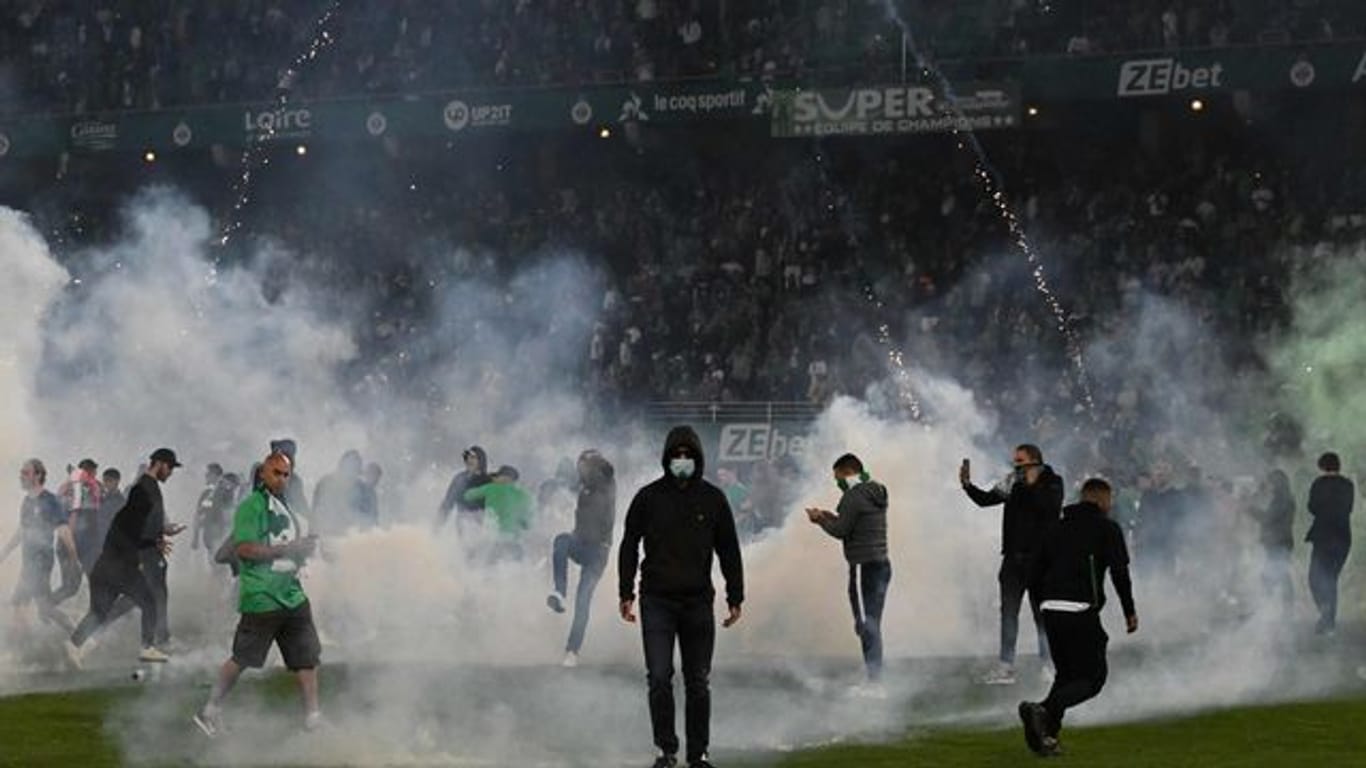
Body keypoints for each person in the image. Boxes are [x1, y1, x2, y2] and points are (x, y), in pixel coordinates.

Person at [619, 426, 744, 768]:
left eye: (689, 455)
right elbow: (629, 545)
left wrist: (736, 596)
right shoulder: (647, 498)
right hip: (656, 600)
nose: (683, 460)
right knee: (659, 677)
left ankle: (698, 754)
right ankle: (666, 750)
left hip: (697, 602)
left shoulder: (714, 499)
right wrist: (625, 591)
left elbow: (729, 550)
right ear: (667, 458)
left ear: (699, 458)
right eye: (677, 454)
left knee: (698, 681)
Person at [193, 451, 322, 738]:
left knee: (307, 657)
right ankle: (209, 711)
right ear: (263, 474)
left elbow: (287, 545)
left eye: (286, 474)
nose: (282, 479)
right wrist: (289, 550)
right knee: (242, 659)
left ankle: (313, 719)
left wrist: (305, 550)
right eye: (276, 473)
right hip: (262, 598)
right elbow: (244, 549)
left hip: (292, 594)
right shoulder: (250, 507)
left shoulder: (285, 508)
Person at [1019, 478, 1138, 757]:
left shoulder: (1054, 529)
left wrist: (1042, 607)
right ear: (1100, 500)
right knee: (1093, 678)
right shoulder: (1107, 529)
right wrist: (1129, 611)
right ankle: (1043, 710)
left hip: (1051, 610)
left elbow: (1033, 574)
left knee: (1068, 675)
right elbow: (1120, 573)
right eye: (1109, 500)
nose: (1111, 506)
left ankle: (1046, 737)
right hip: (1080, 610)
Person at [67, 448, 186, 666]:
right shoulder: (145, 489)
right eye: (169, 468)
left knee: (99, 612)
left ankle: (73, 645)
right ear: (159, 464)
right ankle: (147, 647)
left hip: (109, 563)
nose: (170, 473)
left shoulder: (144, 488)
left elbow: (132, 525)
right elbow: (130, 526)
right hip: (120, 564)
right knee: (149, 601)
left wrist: (159, 534)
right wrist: (153, 541)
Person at [960, 444, 1064, 685]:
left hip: (1042, 560)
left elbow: (1049, 509)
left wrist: (1031, 484)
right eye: (1015, 461)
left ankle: (1048, 664)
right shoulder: (1012, 481)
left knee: (1043, 615)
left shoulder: (1053, 481)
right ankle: (1006, 666)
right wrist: (967, 486)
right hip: (1013, 560)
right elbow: (986, 500)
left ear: (1035, 461)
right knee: (1008, 614)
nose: (1016, 465)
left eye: (1021, 460)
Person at [805, 453, 890, 694]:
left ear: (846, 472)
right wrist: (829, 516)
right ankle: (874, 677)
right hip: (882, 564)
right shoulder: (878, 490)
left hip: (863, 566)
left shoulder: (852, 496)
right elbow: (854, 522)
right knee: (873, 622)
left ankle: (874, 682)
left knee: (866, 625)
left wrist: (819, 521)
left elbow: (841, 530)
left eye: (837, 477)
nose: (837, 482)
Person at [547, 449, 615, 667]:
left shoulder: (605, 481)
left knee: (583, 600)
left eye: (583, 465)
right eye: (579, 466)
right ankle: (559, 592)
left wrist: (593, 461)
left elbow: (605, 471)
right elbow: (564, 483)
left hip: (598, 553)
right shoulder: (583, 485)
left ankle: (572, 651)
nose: (580, 470)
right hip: (580, 543)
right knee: (561, 540)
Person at [0, 459, 78, 633]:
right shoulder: (27, 502)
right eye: (21, 472)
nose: (21, 476)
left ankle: (78, 636)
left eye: (25, 473)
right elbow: (22, 531)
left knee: (41, 606)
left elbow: (64, 531)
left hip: (41, 561)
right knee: (25, 605)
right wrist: (5, 552)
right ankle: (31, 647)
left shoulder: (50, 500)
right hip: (28, 562)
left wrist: (74, 560)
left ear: (38, 475)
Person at [1306, 452, 1353, 636]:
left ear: (1322, 466)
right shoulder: (1348, 485)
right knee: (1331, 579)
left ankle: (1325, 612)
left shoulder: (1318, 484)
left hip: (1323, 536)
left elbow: (1312, 507)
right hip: (1342, 536)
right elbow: (1348, 508)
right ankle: (1329, 622)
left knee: (1314, 577)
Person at [464, 465, 533, 561]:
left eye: (496, 476)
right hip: (514, 543)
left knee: (486, 569)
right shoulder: (524, 495)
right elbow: (527, 524)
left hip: (492, 541)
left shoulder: (491, 488)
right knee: (514, 571)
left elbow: (468, 496)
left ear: (504, 478)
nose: (494, 479)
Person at [1247, 469, 1295, 609]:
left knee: (1273, 574)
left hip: (1279, 541)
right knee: (1279, 573)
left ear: (1277, 483)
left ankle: (1262, 607)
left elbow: (1268, 518)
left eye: (1271, 482)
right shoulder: (1283, 498)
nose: (1269, 486)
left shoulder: (1282, 499)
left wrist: (1251, 510)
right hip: (1279, 541)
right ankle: (1283, 607)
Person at [61, 459, 103, 577]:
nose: (94, 473)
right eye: (92, 471)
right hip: (79, 540)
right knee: (72, 585)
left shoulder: (94, 486)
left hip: (89, 540)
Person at [437, 445, 491, 535]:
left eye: (473, 458)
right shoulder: (460, 478)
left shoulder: (488, 481)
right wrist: (438, 524)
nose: (469, 460)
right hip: (463, 523)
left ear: (481, 461)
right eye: (467, 458)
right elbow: (448, 502)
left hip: (484, 525)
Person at [192, 464, 238, 564]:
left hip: (220, 536)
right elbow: (199, 514)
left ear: (215, 475)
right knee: (214, 564)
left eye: (208, 474)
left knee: (219, 566)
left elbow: (230, 512)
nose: (206, 476)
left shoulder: (225, 491)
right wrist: (195, 536)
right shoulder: (208, 493)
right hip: (211, 537)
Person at [312, 450, 365, 535]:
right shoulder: (325, 483)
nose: (353, 476)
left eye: (355, 471)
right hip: (327, 534)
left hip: (351, 536)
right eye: (351, 470)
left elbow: (364, 515)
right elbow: (316, 512)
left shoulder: (361, 488)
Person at [357, 462, 382, 529]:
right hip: (358, 527)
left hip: (369, 529)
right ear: (367, 475)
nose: (377, 480)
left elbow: (374, 515)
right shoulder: (359, 489)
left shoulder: (373, 494)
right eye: (375, 476)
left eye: (378, 478)